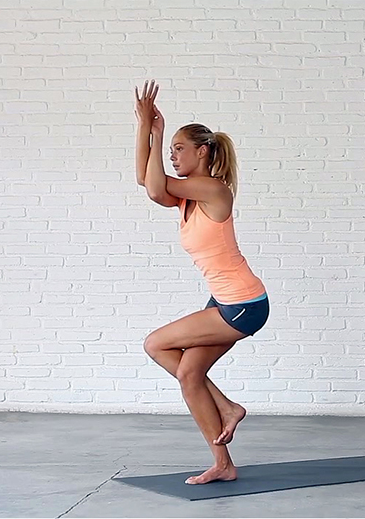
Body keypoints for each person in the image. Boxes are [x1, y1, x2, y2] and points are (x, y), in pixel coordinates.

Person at [133, 80, 270, 485]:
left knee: (155, 344)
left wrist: (156, 131)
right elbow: (145, 180)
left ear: (203, 151)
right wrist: (147, 128)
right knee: (188, 374)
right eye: (171, 151)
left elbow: (154, 185)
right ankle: (223, 460)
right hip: (225, 301)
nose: (173, 156)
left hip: (243, 305)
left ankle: (226, 407)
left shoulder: (213, 190)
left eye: (179, 149)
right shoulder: (186, 198)